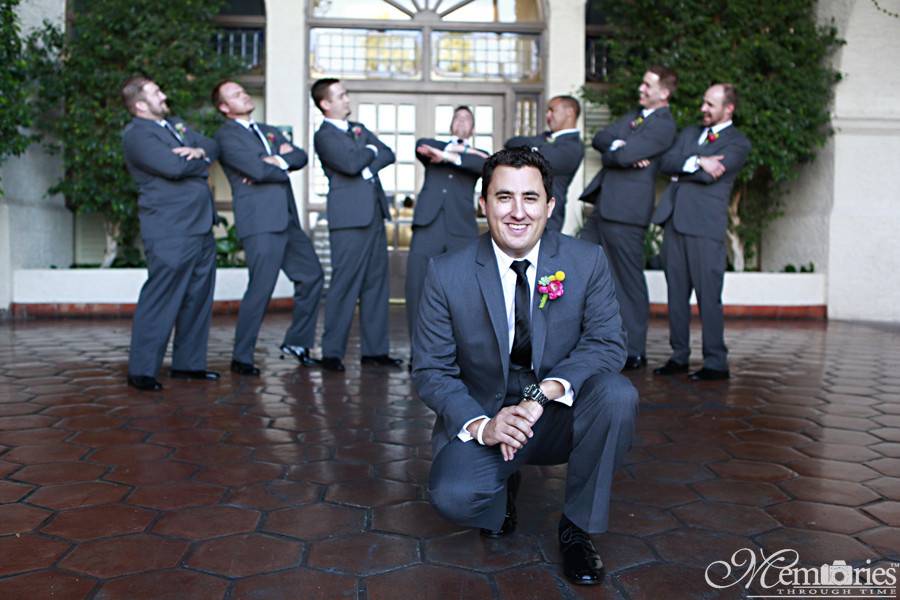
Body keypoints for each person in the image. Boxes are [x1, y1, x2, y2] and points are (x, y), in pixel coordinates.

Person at [412, 148, 638, 585]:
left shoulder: (586, 262)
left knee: (616, 394)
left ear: (550, 206)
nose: (518, 212)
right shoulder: (445, 272)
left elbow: (608, 342)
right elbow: (431, 370)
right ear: (483, 204)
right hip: (489, 412)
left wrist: (546, 392)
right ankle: (503, 482)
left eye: (531, 198)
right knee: (455, 498)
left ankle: (576, 528)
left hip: (556, 413)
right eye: (504, 198)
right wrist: (482, 426)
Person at [212, 80, 324, 376]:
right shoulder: (227, 136)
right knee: (261, 289)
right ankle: (241, 356)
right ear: (224, 107)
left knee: (312, 276)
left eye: (243, 91)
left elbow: (299, 156)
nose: (244, 95)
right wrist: (275, 162)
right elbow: (257, 171)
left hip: (287, 219)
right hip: (260, 223)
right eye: (236, 94)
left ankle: (298, 343)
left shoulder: (267, 131)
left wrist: (276, 161)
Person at [120, 76, 220, 391]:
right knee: (161, 298)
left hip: (201, 225)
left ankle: (188, 365)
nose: (163, 95)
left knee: (197, 298)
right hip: (170, 229)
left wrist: (197, 152)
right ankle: (142, 371)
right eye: (155, 92)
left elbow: (212, 145)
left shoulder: (175, 125)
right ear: (139, 105)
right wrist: (198, 158)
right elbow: (172, 167)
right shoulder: (136, 134)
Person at [580, 66, 678, 370]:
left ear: (664, 92)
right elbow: (601, 138)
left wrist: (620, 150)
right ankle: (590, 340)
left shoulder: (664, 125)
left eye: (647, 85)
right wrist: (620, 148)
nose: (641, 88)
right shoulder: (637, 117)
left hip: (627, 213)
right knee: (581, 268)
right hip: (604, 207)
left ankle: (635, 349)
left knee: (628, 282)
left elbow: (619, 156)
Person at [652, 83, 752, 381]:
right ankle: (679, 356)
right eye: (704, 102)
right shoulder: (688, 132)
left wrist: (684, 166)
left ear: (728, 108)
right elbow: (664, 162)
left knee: (709, 298)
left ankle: (716, 362)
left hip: (705, 228)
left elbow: (710, 177)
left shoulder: (737, 143)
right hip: (674, 223)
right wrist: (697, 161)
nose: (703, 109)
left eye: (710, 104)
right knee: (676, 296)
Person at [311, 78, 402, 372]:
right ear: (325, 103)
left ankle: (375, 351)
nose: (347, 99)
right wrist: (369, 154)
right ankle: (331, 353)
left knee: (377, 285)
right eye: (341, 95)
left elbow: (388, 152)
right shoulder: (324, 135)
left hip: (374, 215)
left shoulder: (358, 129)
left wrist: (367, 161)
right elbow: (349, 164)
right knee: (344, 285)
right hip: (348, 219)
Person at [405, 105, 489, 347]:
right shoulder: (434, 144)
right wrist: (450, 152)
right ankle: (418, 352)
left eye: (467, 119)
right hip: (427, 225)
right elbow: (421, 145)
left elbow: (483, 165)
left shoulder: (478, 154)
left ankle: (455, 353)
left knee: (460, 293)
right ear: (451, 125)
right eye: (458, 118)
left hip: (460, 229)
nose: (462, 122)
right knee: (417, 289)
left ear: (472, 128)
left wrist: (448, 157)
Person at [504, 96, 584, 233]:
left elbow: (543, 160)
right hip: (521, 211)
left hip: (547, 217)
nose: (548, 115)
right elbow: (512, 142)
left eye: (552, 110)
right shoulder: (546, 138)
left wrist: (533, 148)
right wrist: (536, 149)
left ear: (569, 112)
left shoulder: (574, 147)